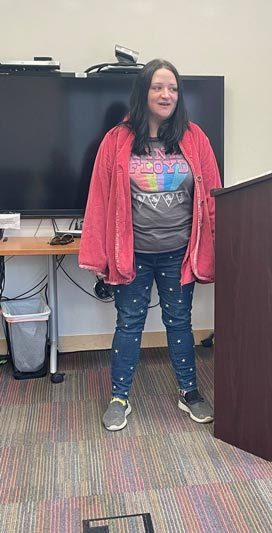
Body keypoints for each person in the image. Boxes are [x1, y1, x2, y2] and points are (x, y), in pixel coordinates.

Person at [79, 59, 222, 431]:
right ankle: (119, 397)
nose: (166, 94)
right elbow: (99, 198)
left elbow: (212, 195)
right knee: (129, 323)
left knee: (179, 322)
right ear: (144, 93)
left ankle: (189, 392)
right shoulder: (116, 140)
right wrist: (98, 253)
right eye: (158, 87)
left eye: (173, 88)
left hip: (179, 252)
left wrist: (219, 242)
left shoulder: (194, 138)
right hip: (134, 252)